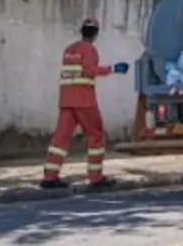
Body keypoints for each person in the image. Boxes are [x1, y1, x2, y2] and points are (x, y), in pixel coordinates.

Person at [40, 17, 129, 190]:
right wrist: (113, 69)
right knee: (96, 136)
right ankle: (96, 178)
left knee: (60, 138)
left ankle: (49, 177)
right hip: (84, 101)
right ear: (95, 34)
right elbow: (89, 71)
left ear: (82, 31)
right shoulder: (89, 50)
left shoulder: (69, 50)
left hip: (66, 100)